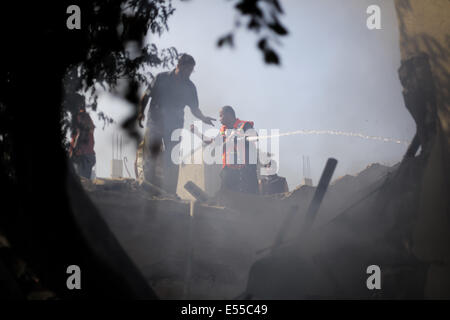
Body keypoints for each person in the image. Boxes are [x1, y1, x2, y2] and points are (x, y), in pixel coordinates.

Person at [137, 54, 215, 193]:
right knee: (151, 156)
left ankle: (170, 192)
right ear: (179, 66)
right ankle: (148, 189)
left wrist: (203, 118)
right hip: (155, 122)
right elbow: (146, 96)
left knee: (172, 159)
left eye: (192, 70)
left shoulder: (190, 87)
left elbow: (194, 109)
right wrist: (140, 112)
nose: (190, 73)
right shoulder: (161, 78)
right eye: (188, 70)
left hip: (175, 126)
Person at [218, 106, 259, 194]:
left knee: (251, 197)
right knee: (226, 198)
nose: (219, 119)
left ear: (229, 115)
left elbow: (255, 136)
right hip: (229, 171)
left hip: (246, 170)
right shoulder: (223, 131)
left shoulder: (244, 125)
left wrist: (240, 137)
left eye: (221, 116)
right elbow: (217, 146)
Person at [69, 98, 96, 179]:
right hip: (87, 156)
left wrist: (72, 152)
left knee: (82, 183)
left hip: (83, 157)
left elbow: (80, 135)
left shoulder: (80, 117)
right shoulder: (87, 118)